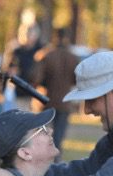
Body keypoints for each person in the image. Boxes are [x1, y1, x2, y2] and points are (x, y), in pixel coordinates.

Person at [32, 27, 79, 158]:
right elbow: (77, 79)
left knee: (41, 136)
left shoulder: (45, 55)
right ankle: (56, 164)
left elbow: (36, 79)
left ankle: (40, 163)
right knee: (58, 139)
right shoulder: (73, 57)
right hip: (65, 102)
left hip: (46, 102)